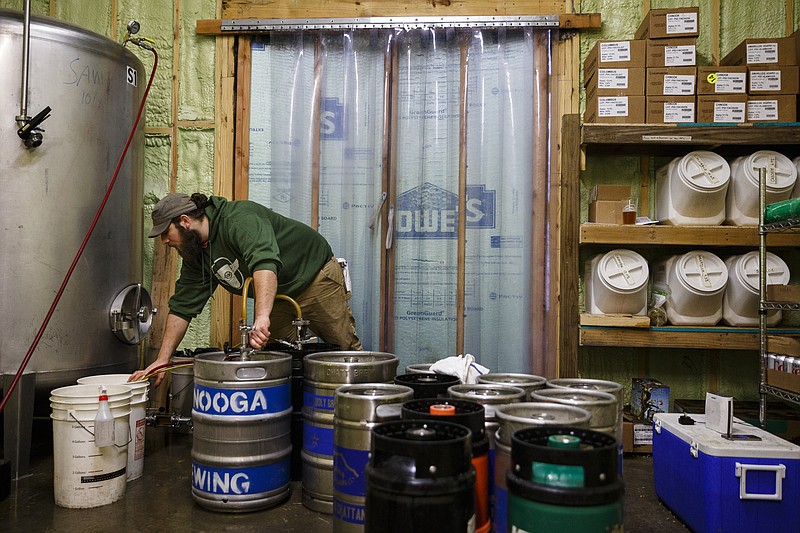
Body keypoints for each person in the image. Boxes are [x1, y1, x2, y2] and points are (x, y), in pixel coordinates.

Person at [130, 192, 362, 386]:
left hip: (314, 275)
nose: (163, 242)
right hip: (280, 293)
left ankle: (366, 414)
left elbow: (264, 264)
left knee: (345, 350)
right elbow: (183, 306)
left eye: (165, 233)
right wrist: (163, 358)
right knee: (280, 360)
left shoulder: (239, 219)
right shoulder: (196, 254)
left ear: (184, 221)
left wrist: (261, 318)